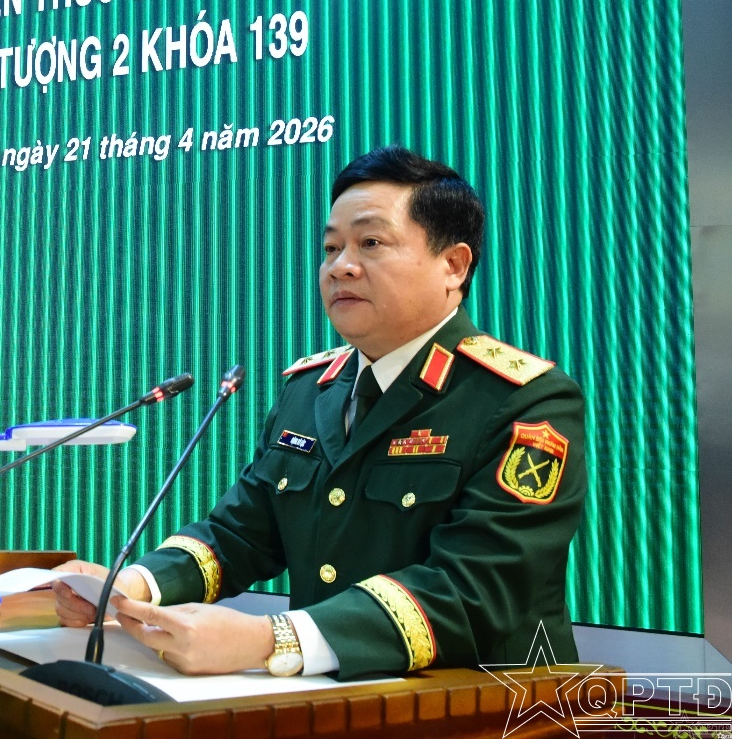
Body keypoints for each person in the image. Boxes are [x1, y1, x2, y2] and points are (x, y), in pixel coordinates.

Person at [55, 146, 587, 680]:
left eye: (370, 243)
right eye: (331, 248)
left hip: (483, 705)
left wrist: (271, 639)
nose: (340, 267)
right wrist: (132, 586)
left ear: (453, 265)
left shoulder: (525, 401)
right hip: (328, 703)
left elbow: (476, 589)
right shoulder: (310, 390)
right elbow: (242, 532)